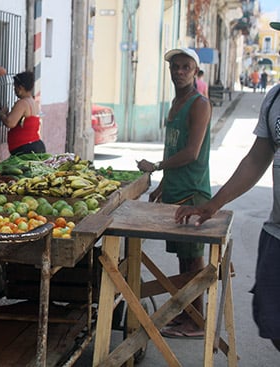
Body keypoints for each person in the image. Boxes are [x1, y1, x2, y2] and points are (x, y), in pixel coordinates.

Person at [175, 21, 280, 352]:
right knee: (273, 327)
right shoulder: (275, 97)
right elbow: (255, 160)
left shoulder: (199, 102)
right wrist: (212, 204)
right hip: (277, 235)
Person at [137, 47, 212, 339]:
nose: (179, 72)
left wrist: (155, 166)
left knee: (193, 260)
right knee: (183, 260)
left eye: (185, 67)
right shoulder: (176, 102)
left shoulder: (199, 104)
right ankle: (186, 315)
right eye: (175, 67)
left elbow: (191, 153)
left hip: (193, 194)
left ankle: (197, 322)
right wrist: (164, 183)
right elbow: (174, 147)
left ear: (195, 72)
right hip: (175, 192)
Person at [0, 71, 46, 155]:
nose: (14, 90)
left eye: (15, 87)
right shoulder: (33, 102)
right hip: (34, 145)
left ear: (20, 88)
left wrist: (2, 115)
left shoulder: (22, 103)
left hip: (25, 148)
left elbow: (10, 123)